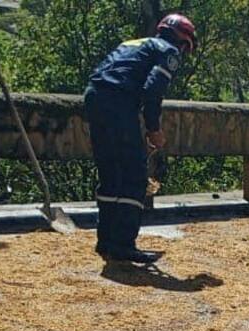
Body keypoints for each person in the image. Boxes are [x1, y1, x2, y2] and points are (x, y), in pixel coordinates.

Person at [84, 13, 196, 264]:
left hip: (94, 96)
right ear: (182, 41)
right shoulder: (168, 50)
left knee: (111, 171)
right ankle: (123, 244)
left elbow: (104, 75)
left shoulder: (132, 43)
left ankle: (106, 241)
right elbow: (153, 90)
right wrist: (153, 129)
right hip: (118, 102)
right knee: (134, 174)